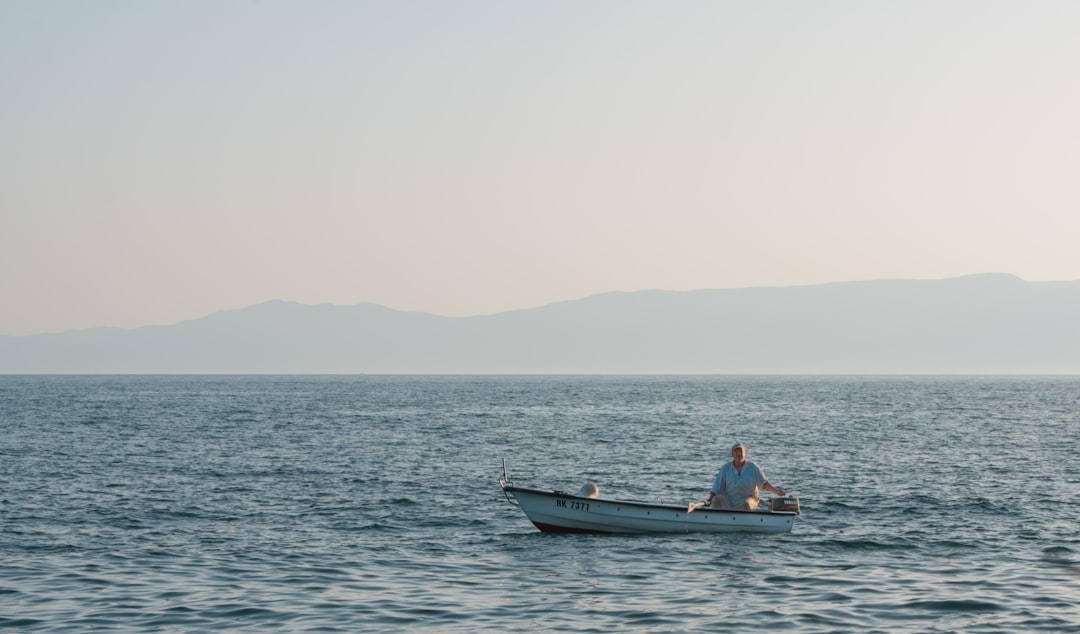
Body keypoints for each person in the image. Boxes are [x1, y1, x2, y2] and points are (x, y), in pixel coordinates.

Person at [706, 443, 786, 511]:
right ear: (732, 454)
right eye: (736, 451)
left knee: (746, 505)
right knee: (716, 500)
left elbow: (764, 484)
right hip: (729, 499)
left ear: (745, 453)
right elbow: (716, 488)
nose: (739, 454)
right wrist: (710, 499)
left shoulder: (753, 467)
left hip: (749, 498)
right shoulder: (725, 468)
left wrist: (776, 491)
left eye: (741, 451)